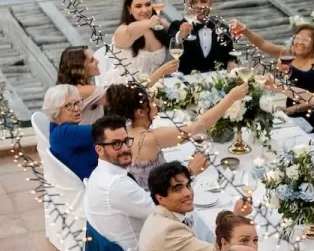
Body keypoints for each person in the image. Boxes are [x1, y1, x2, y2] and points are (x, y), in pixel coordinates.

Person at [104, 80, 246, 191]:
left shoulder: (125, 132)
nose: (155, 103)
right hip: (157, 203)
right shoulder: (151, 138)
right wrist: (232, 97)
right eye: (151, 101)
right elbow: (201, 126)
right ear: (140, 112)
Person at [228, 19, 314, 116]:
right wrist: (246, 31)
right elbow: (262, 43)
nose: (300, 42)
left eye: (306, 40)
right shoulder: (288, 55)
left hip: (308, 117)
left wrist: (295, 108)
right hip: (287, 111)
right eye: (297, 38)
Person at [83, 115, 156, 250]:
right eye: (116, 144)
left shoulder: (98, 174)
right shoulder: (116, 184)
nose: (125, 149)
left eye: (126, 141)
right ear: (99, 150)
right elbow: (162, 209)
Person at [111, 0, 180, 78]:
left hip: (156, 86)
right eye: (138, 6)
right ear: (129, 9)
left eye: (148, 4)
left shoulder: (160, 25)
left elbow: (177, 34)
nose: (145, 10)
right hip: (127, 85)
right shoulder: (122, 31)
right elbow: (130, 31)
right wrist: (149, 23)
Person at [175, 0, 238, 74]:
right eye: (194, 2)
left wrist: (232, 62)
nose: (199, 6)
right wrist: (181, 35)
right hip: (187, 83)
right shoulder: (176, 25)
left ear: (210, 3)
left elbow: (231, 54)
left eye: (203, 1)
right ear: (187, 5)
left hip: (218, 82)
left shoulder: (222, 27)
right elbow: (171, 41)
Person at [43, 85, 97, 180]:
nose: (76, 109)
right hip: (96, 182)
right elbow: (106, 132)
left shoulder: (56, 129)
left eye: (77, 102)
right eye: (68, 105)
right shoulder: (64, 132)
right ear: (56, 110)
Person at [55, 47, 106, 124]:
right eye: (91, 61)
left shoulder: (67, 89)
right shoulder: (88, 91)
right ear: (79, 69)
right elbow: (123, 98)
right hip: (86, 134)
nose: (97, 61)